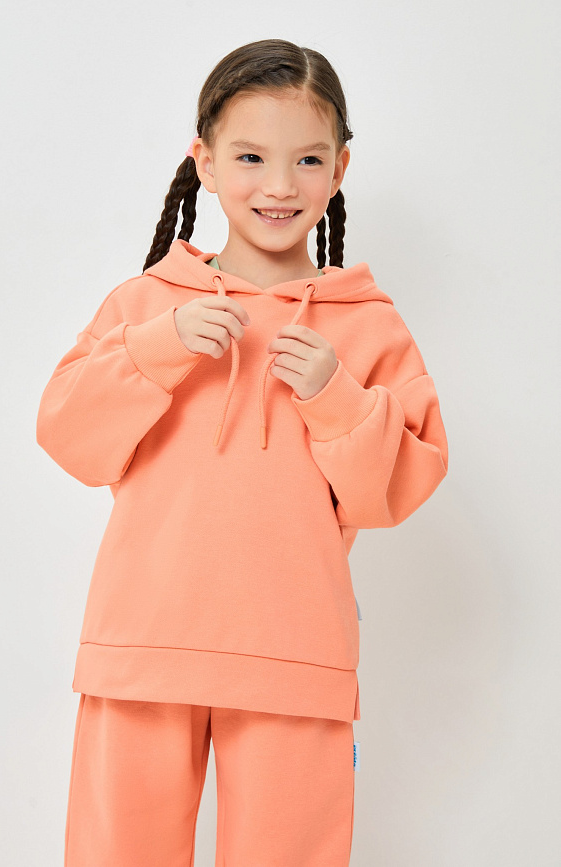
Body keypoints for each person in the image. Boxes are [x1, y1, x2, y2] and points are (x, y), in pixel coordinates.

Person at [36, 37, 448, 867]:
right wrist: (158, 346)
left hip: (297, 657)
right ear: (206, 162)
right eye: (251, 156)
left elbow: (395, 490)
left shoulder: (368, 325)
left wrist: (336, 396)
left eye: (307, 159)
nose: (280, 185)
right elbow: (69, 435)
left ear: (339, 169)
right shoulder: (146, 302)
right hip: (141, 645)